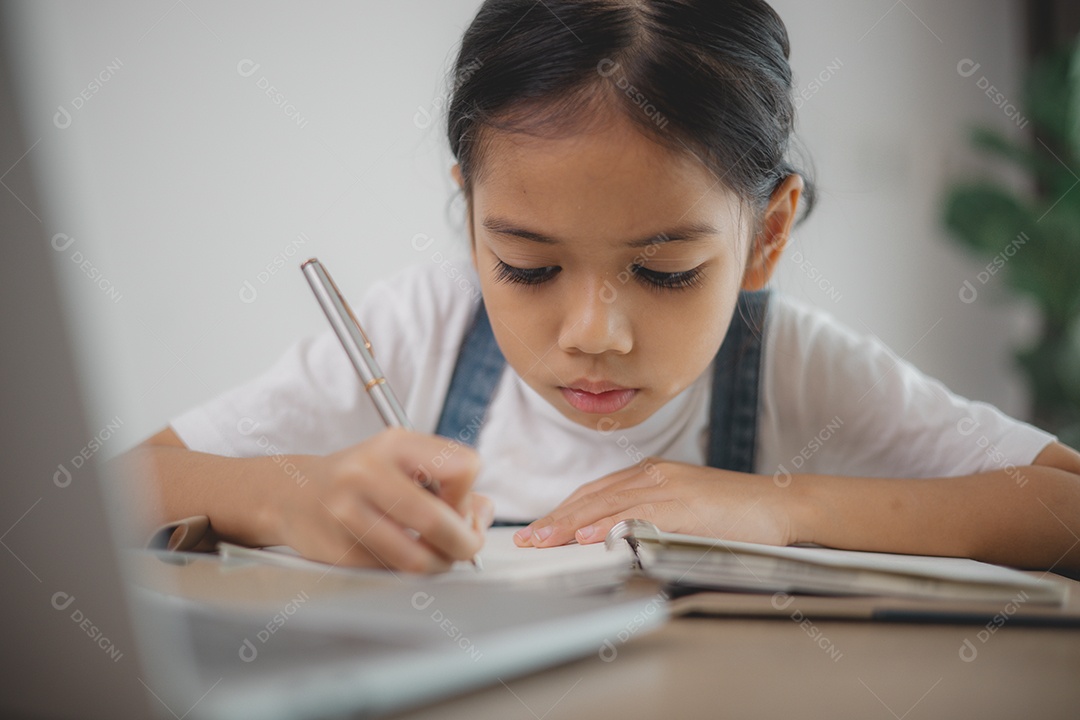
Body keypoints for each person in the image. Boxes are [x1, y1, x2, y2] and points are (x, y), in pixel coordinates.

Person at [119, 0, 1080, 574]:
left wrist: (784, 508)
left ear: (767, 234)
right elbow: (120, 486)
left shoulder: (791, 369)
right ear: (469, 220)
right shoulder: (416, 332)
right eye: (528, 265)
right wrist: (292, 498)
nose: (593, 332)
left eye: (665, 270)